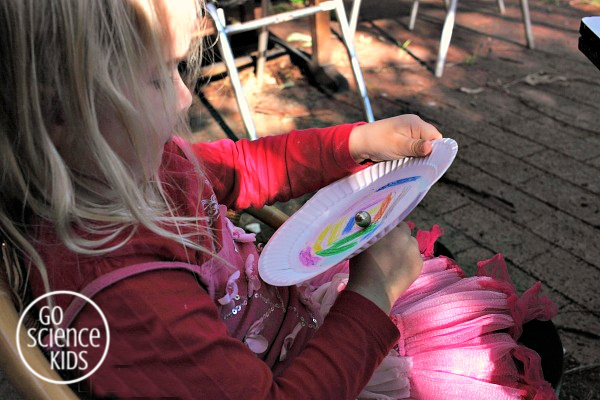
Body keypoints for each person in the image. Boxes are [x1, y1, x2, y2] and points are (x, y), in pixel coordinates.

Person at [0, 0, 559, 399]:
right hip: (312, 369)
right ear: (57, 108)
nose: (183, 96)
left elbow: (243, 166)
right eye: (155, 78)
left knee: (513, 336)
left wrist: (355, 142)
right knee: (515, 361)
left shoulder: (125, 165)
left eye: (178, 67)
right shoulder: (130, 301)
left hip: (296, 319)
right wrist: (372, 293)